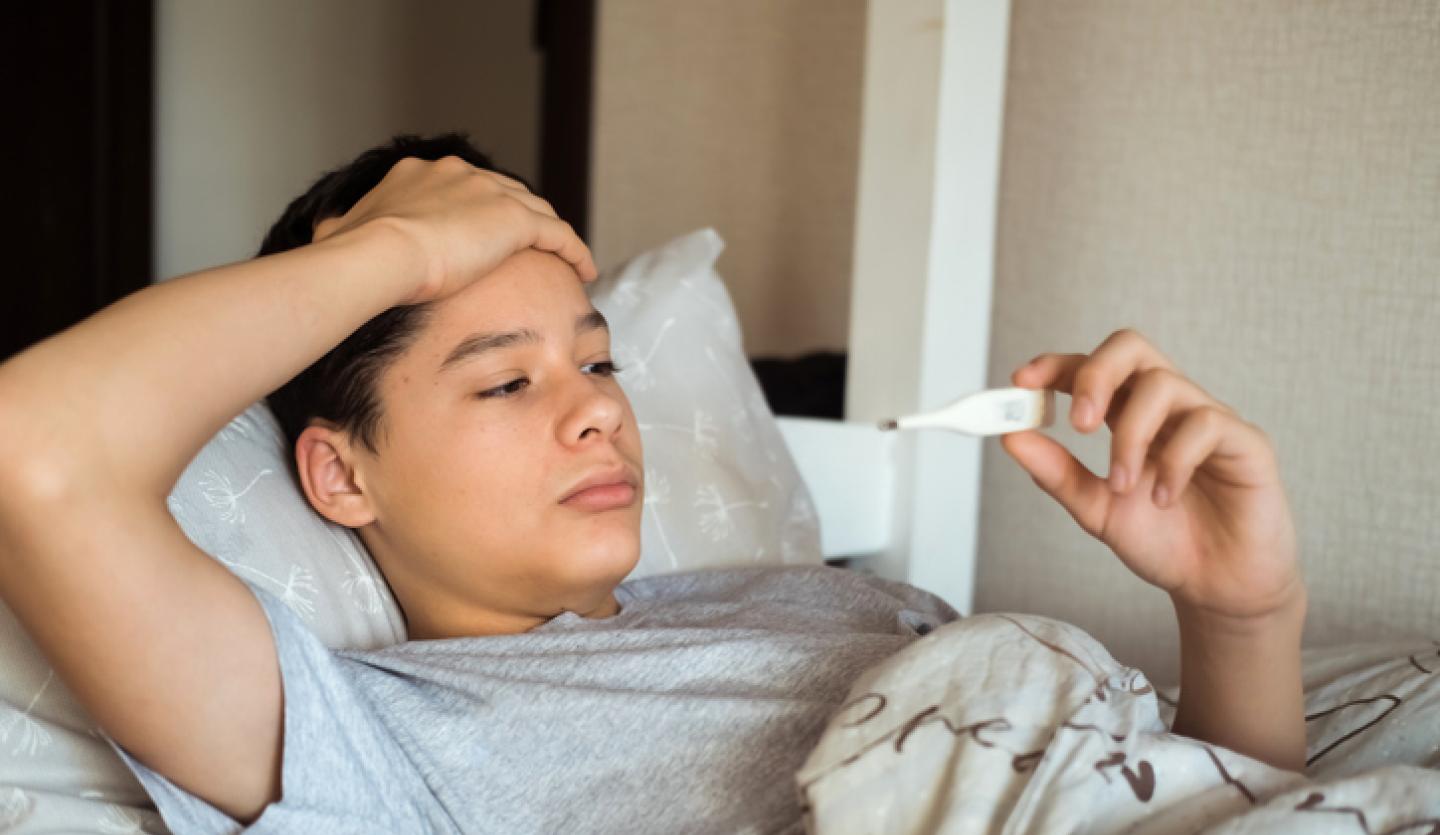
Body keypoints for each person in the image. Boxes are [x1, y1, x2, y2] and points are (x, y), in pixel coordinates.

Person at [0, 134, 1305, 833]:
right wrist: (401, 248)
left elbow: (1205, 805)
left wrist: (1242, 613)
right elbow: (34, 451)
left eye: (600, 361)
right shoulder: (367, 743)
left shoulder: (832, 605)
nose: (596, 416)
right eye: (507, 383)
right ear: (340, 476)